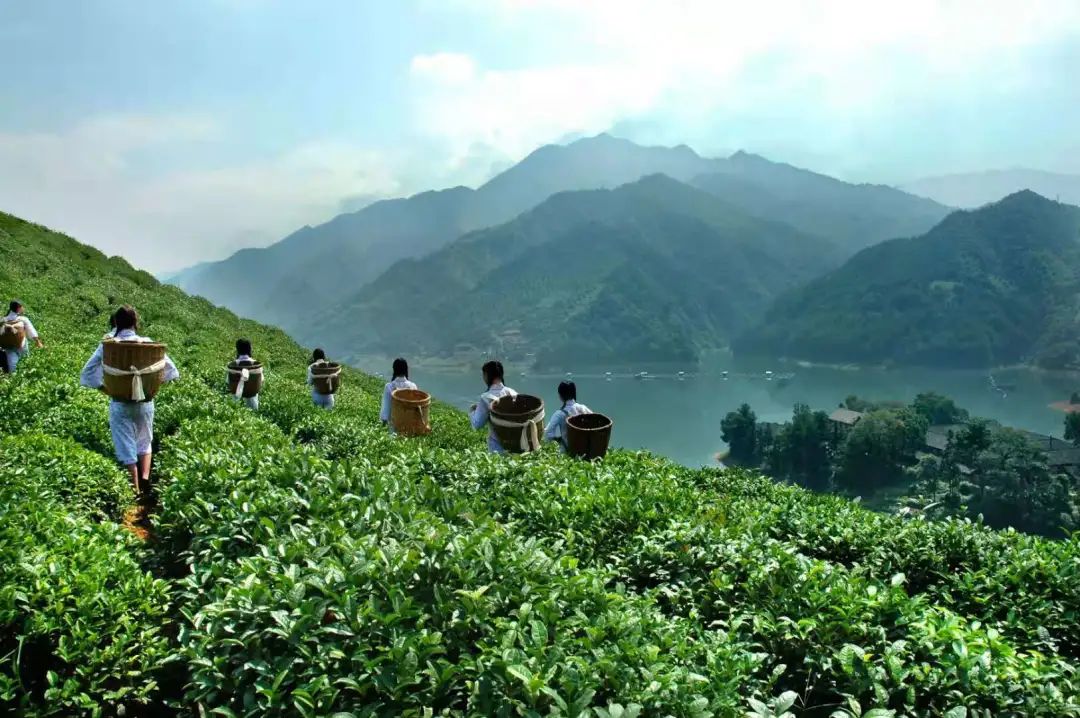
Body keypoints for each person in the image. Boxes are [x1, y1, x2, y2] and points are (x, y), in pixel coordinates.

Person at [79, 305, 179, 492]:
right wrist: (151, 387)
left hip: (120, 403)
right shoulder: (148, 343)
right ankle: (145, 477)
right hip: (146, 403)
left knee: (125, 446)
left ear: (116, 322)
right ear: (135, 323)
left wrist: (105, 389)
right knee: (144, 442)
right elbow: (172, 371)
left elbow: (87, 373)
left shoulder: (108, 345)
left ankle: (135, 491)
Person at [469, 360, 517, 453]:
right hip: (516, 446)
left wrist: (472, 411)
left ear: (486, 376)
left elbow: (477, 424)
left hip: (497, 448)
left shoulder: (486, 398)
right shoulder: (513, 393)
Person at [544, 381, 592, 450]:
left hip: (568, 450)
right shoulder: (583, 408)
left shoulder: (559, 414)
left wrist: (558, 440)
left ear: (560, 395)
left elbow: (548, 433)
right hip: (585, 448)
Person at [3, 300, 44, 374]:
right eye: (22, 306)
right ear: (18, 308)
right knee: (25, 362)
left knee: (12, 365)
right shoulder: (22, 319)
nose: (23, 308)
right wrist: (38, 342)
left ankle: (12, 380)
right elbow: (31, 331)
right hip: (22, 345)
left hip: (8, 346)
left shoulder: (4, 320)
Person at [379, 357, 418, 430]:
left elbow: (385, 410)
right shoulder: (413, 386)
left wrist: (382, 429)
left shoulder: (389, 387)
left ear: (394, 369)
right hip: (409, 428)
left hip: (394, 427)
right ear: (406, 370)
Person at [230, 338, 260, 410]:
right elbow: (260, 381)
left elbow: (227, 381)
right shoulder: (256, 364)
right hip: (251, 394)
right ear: (250, 349)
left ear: (237, 349)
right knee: (253, 397)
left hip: (236, 395)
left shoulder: (232, 364)